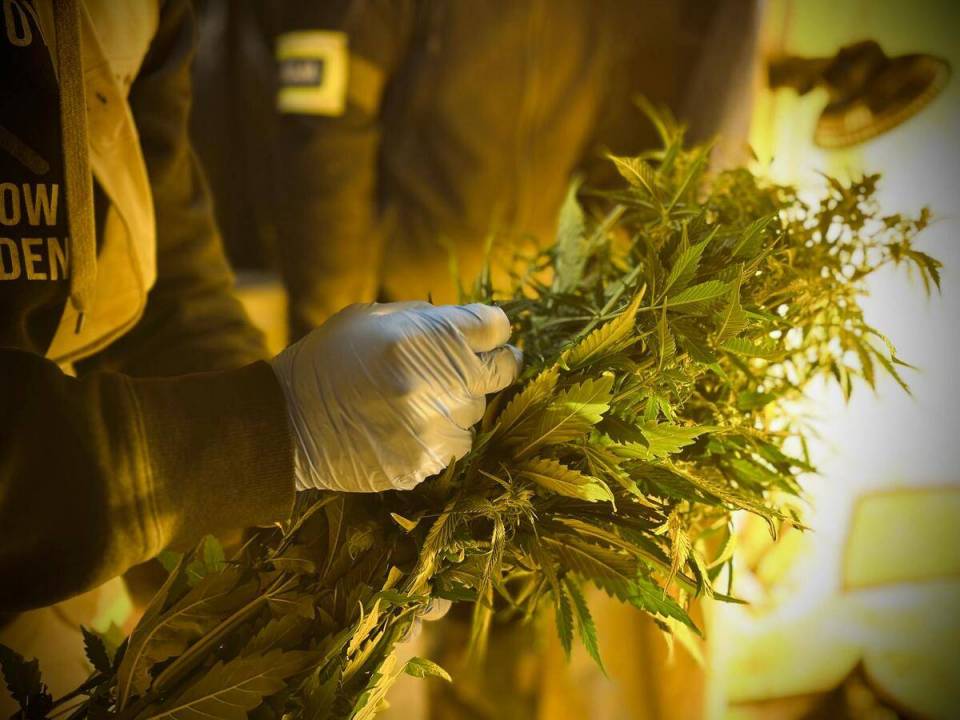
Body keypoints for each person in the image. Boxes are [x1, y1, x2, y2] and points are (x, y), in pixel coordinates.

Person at [0, 0, 520, 616]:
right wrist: (275, 426)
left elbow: (167, 276)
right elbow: (327, 144)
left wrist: (299, 511)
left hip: (70, 554)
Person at [265, 0, 759, 339]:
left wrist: (602, 324)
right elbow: (325, 147)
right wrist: (333, 336)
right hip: (398, 318)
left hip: (531, 329)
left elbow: (615, 172)